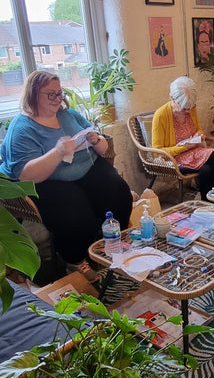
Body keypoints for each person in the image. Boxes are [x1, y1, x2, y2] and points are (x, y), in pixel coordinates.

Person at [0, 70, 132, 283]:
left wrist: (96, 140)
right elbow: (25, 174)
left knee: (119, 191)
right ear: (33, 95)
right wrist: (58, 152)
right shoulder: (22, 127)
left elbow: (103, 147)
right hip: (48, 180)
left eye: (59, 93)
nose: (57, 98)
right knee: (75, 214)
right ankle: (75, 260)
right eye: (50, 94)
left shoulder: (69, 115)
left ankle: (114, 241)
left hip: (84, 169)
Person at [151, 76, 214, 200]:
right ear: (173, 99)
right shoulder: (161, 115)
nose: (187, 111)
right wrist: (184, 147)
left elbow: (198, 129)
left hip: (194, 151)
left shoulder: (191, 108)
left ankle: (210, 202)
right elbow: (158, 151)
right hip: (175, 157)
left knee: (207, 169)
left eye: (190, 108)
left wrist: (199, 135)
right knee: (213, 156)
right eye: (184, 108)